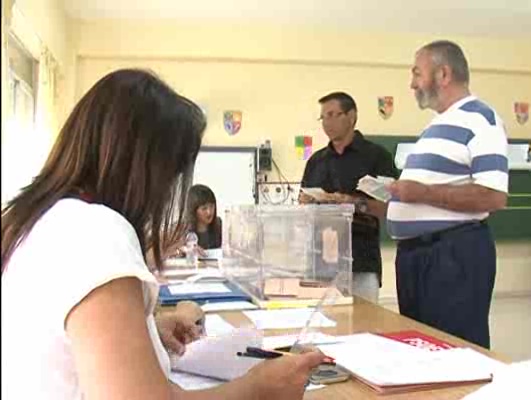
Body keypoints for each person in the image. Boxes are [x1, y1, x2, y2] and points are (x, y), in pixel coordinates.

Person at [1, 69, 325, 400]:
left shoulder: (35, 219)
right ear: (143, 167)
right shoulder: (96, 233)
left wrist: (147, 331)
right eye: (171, 175)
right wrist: (259, 388)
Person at [386, 40, 509, 349]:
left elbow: (493, 196)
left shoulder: (481, 119)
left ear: (443, 74)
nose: (411, 83)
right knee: (421, 349)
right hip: (417, 257)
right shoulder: (435, 126)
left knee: (455, 351)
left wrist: (421, 193)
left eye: (417, 73)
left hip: (453, 254)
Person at [299, 92, 399, 303]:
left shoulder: (377, 157)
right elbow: (303, 205)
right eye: (324, 117)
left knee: (364, 326)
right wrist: (307, 202)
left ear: (352, 116)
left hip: (361, 261)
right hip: (322, 262)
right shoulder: (316, 161)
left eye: (334, 114)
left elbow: (392, 208)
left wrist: (351, 203)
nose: (328, 122)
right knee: (324, 327)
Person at [185, 184, 223, 251]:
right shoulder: (181, 229)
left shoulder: (220, 225)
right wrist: (184, 249)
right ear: (194, 210)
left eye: (211, 206)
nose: (209, 212)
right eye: (204, 208)